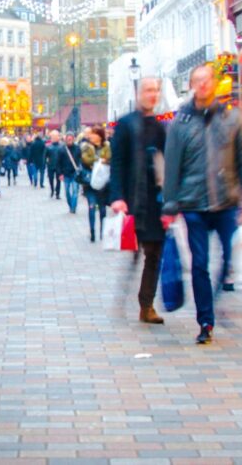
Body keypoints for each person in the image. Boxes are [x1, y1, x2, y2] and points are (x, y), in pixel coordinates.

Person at [163, 64, 242, 345]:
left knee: (232, 257)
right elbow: (172, 165)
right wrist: (170, 205)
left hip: (226, 201)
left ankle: (217, 297)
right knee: (200, 264)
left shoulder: (231, 119)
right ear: (192, 84)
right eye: (197, 80)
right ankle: (206, 320)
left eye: (207, 80)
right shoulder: (181, 122)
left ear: (214, 83)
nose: (203, 85)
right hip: (193, 205)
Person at [109, 77, 168, 324]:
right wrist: (117, 197)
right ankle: (122, 298)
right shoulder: (125, 124)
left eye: (155, 90)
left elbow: (168, 163)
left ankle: (146, 305)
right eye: (147, 90)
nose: (152, 94)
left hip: (156, 201)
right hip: (134, 199)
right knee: (134, 252)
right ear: (138, 92)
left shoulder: (162, 126)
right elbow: (118, 163)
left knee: (154, 254)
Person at [80, 126, 111, 243]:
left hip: (103, 182)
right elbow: (85, 160)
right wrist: (99, 160)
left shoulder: (106, 146)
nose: (91, 136)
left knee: (103, 209)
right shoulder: (86, 147)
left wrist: (97, 161)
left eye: (94, 134)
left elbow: (109, 158)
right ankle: (92, 231)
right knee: (91, 206)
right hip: (90, 182)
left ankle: (103, 232)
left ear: (99, 135)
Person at [56, 132, 82, 214]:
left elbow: (81, 160)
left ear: (73, 139)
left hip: (75, 173)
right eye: (68, 139)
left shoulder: (78, 148)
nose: (69, 140)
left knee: (75, 191)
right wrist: (60, 174)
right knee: (67, 192)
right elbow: (58, 163)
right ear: (65, 139)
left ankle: (73, 208)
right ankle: (71, 205)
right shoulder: (61, 149)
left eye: (71, 139)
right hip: (65, 173)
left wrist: (80, 169)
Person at [45, 131, 62, 199]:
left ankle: (57, 193)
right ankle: (52, 190)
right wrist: (46, 163)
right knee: (51, 179)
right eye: (53, 137)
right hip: (51, 165)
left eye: (56, 136)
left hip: (59, 166)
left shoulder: (61, 146)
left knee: (58, 180)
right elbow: (45, 156)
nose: (54, 138)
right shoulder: (48, 147)